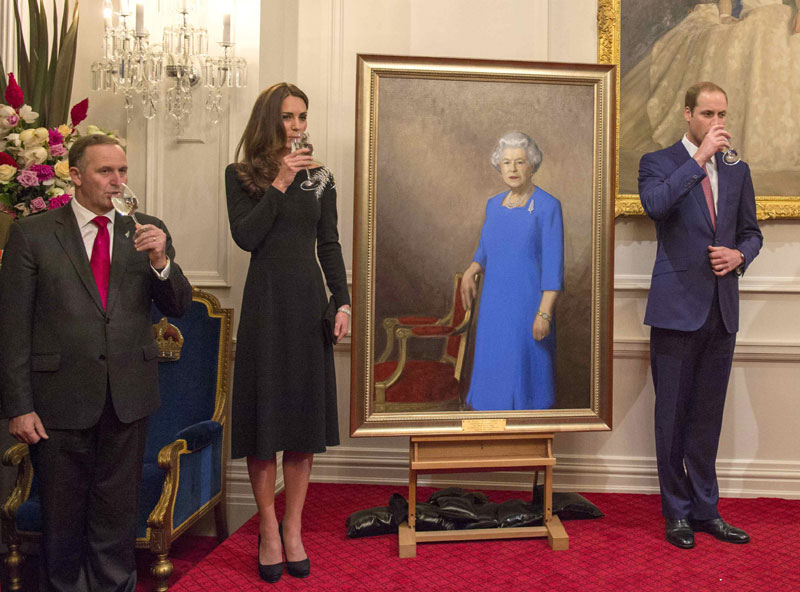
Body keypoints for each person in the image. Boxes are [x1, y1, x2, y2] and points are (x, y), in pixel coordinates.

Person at [0, 133, 192, 591]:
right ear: (77, 174)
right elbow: (12, 328)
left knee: (115, 515)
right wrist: (19, 406)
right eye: (106, 171)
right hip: (57, 399)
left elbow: (178, 304)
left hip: (127, 396)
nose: (117, 180)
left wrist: (161, 260)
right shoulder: (34, 234)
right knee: (62, 518)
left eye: (122, 171)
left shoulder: (145, 229)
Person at [225, 82, 350, 583]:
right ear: (268, 121)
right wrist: (278, 181)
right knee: (264, 425)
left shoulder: (322, 178)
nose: (297, 125)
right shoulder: (241, 176)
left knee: (300, 427)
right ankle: (269, 530)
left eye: (302, 116)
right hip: (265, 304)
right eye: (288, 117)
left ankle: (293, 527)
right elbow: (247, 236)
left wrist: (341, 301)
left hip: (306, 305)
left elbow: (330, 244)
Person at [638, 81, 762, 549]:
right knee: (671, 417)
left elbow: (752, 233)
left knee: (706, 418)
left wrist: (739, 255)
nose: (718, 124)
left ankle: (707, 510)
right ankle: (677, 514)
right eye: (709, 114)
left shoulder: (737, 170)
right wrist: (697, 159)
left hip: (721, 311)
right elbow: (654, 206)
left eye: (722, 115)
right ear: (687, 114)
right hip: (675, 310)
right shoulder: (658, 163)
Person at [460, 132, 564, 411]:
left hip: (527, 307)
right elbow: (486, 247)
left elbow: (554, 266)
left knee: (524, 384)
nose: (513, 169)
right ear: (499, 166)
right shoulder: (493, 205)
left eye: (520, 162)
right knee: (492, 379)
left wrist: (544, 313)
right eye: (507, 163)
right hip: (494, 307)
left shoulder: (548, 206)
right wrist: (472, 269)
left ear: (532, 165)